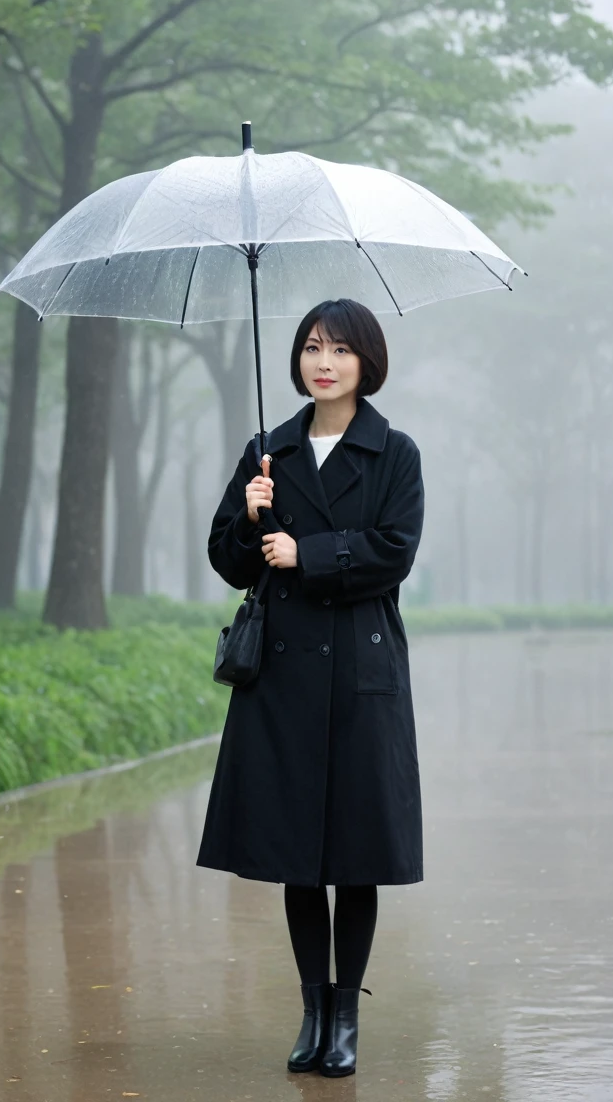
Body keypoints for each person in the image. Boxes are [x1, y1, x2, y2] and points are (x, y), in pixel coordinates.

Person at [196, 298, 425, 1078]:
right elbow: (230, 561)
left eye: (339, 350)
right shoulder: (268, 451)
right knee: (299, 854)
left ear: (367, 361)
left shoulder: (394, 452)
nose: (322, 363)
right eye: (310, 348)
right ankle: (311, 1011)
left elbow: (395, 550)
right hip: (284, 679)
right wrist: (248, 518)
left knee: (355, 854)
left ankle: (347, 1021)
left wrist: (310, 552)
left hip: (362, 674)